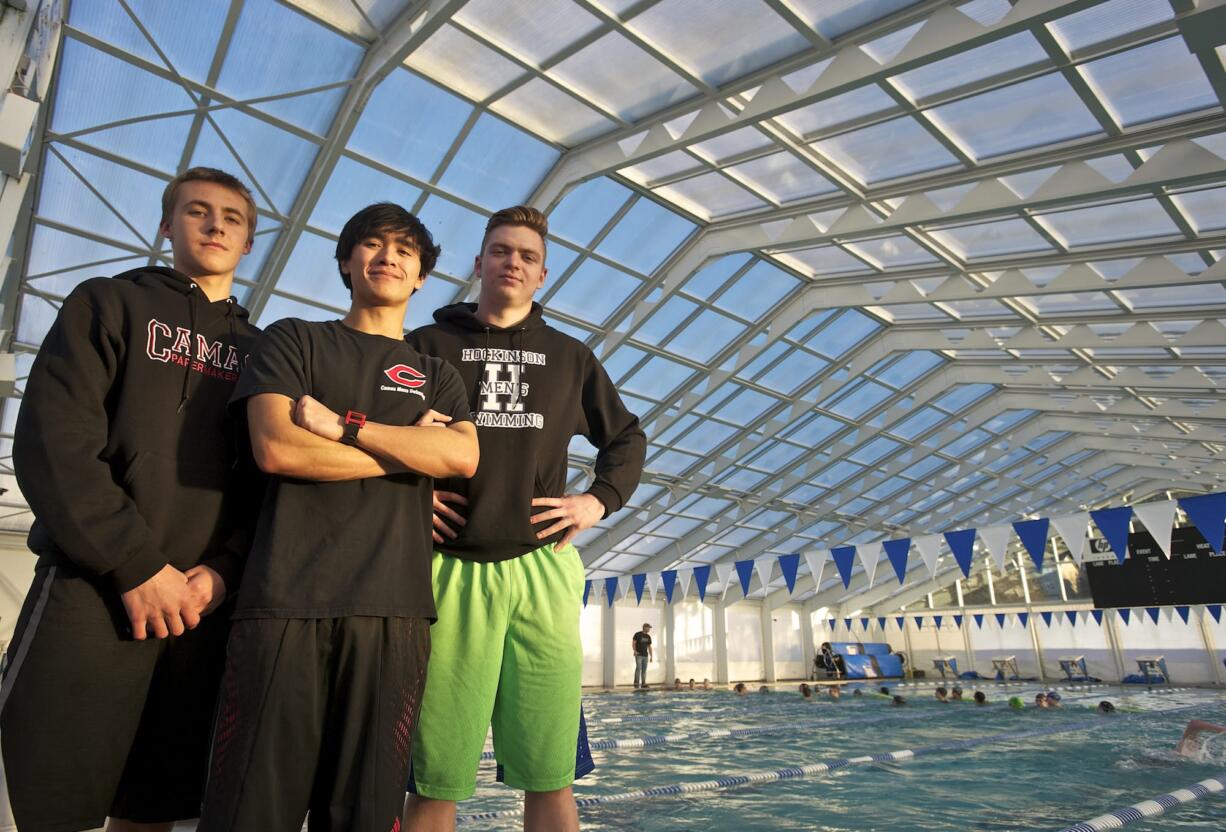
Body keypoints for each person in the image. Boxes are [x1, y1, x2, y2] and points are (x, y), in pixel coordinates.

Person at [197, 203, 478, 832]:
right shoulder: (294, 339)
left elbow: (460, 455)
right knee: (250, 808)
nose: (388, 257)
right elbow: (278, 447)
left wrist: (344, 426)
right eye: (372, 244)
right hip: (282, 602)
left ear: (421, 278)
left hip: (393, 612)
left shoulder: (438, 374)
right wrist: (405, 455)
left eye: (405, 250)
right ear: (346, 263)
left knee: (366, 813)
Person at [0, 168, 262, 832]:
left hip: (199, 609)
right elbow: (53, 442)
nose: (214, 224)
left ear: (249, 242)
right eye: (197, 211)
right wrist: (135, 564)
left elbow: (266, 486)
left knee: (153, 807)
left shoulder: (263, 355)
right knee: (47, 800)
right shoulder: (108, 304)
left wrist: (223, 576)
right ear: (166, 226)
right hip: (95, 587)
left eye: (231, 217)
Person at [403, 206, 646, 832]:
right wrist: (404, 496)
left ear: (542, 275)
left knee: (550, 775)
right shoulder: (426, 347)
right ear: (479, 262)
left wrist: (598, 500)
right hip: (448, 572)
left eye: (527, 256)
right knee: (436, 778)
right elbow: (371, 434)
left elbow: (626, 438)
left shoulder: (569, 358)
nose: (513, 262)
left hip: (543, 570)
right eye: (501, 250)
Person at [631, 622, 653, 689]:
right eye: (648, 628)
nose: (649, 629)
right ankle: (636, 683)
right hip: (639, 654)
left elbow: (649, 647)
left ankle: (643, 683)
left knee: (644, 670)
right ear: (645, 627)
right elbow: (633, 643)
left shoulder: (648, 636)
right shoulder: (638, 634)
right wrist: (635, 651)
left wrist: (651, 656)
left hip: (645, 655)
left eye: (649, 628)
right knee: (638, 668)